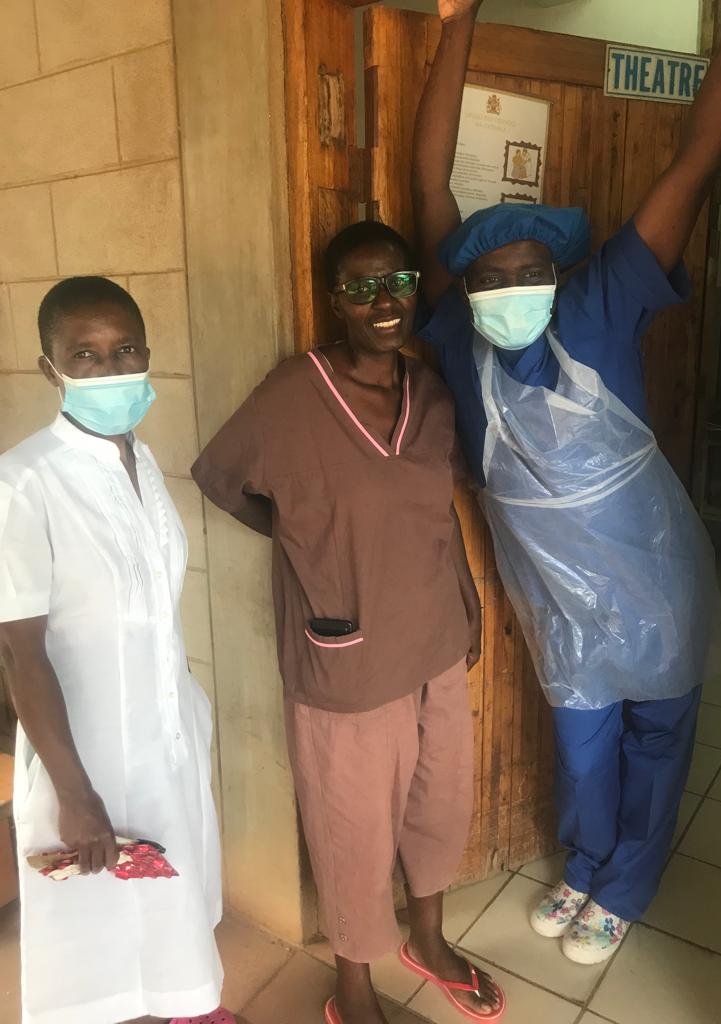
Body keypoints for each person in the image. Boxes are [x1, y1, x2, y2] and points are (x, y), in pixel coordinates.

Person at [411, 0, 721, 965]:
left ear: (561, 271)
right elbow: (428, 189)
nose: (511, 287)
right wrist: (458, 25)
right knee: (582, 747)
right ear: (467, 289)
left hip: (655, 582)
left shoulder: (603, 301)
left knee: (656, 737)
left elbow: (699, 153)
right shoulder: (458, 338)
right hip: (559, 599)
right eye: (490, 276)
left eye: (530, 269)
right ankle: (588, 863)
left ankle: (626, 887)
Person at [192, 221, 505, 1024]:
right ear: (334, 300)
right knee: (353, 826)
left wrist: (467, 604)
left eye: (397, 282)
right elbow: (221, 479)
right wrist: (303, 535)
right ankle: (352, 987)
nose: (382, 301)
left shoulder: (430, 394)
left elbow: (440, 511)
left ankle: (427, 942)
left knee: (439, 802)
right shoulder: (292, 395)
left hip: (434, 636)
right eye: (359, 287)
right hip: (347, 655)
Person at [0, 278, 232, 1024]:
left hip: (164, 733)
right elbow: (21, 655)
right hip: (85, 753)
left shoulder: (142, 462)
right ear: (51, 369)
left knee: (170, 893)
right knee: (95, 931)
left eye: (125, 350)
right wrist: (74, 792)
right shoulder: (23, 481)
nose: (111, 369)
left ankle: (188, 1002)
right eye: (86, 356)